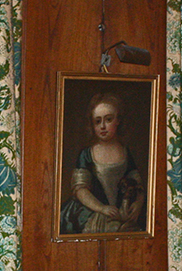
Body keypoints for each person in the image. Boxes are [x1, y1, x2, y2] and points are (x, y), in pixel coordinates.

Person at [59, 91, 146, 234]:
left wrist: (138, 203)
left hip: (122, 212)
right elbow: (80, 190)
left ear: (118, 120)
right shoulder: (87, 154)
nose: (103, 126)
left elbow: (138, 184)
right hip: (91, 212)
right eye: (98, 121)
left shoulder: (125, 151)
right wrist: (101, 208)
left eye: (108, 119)